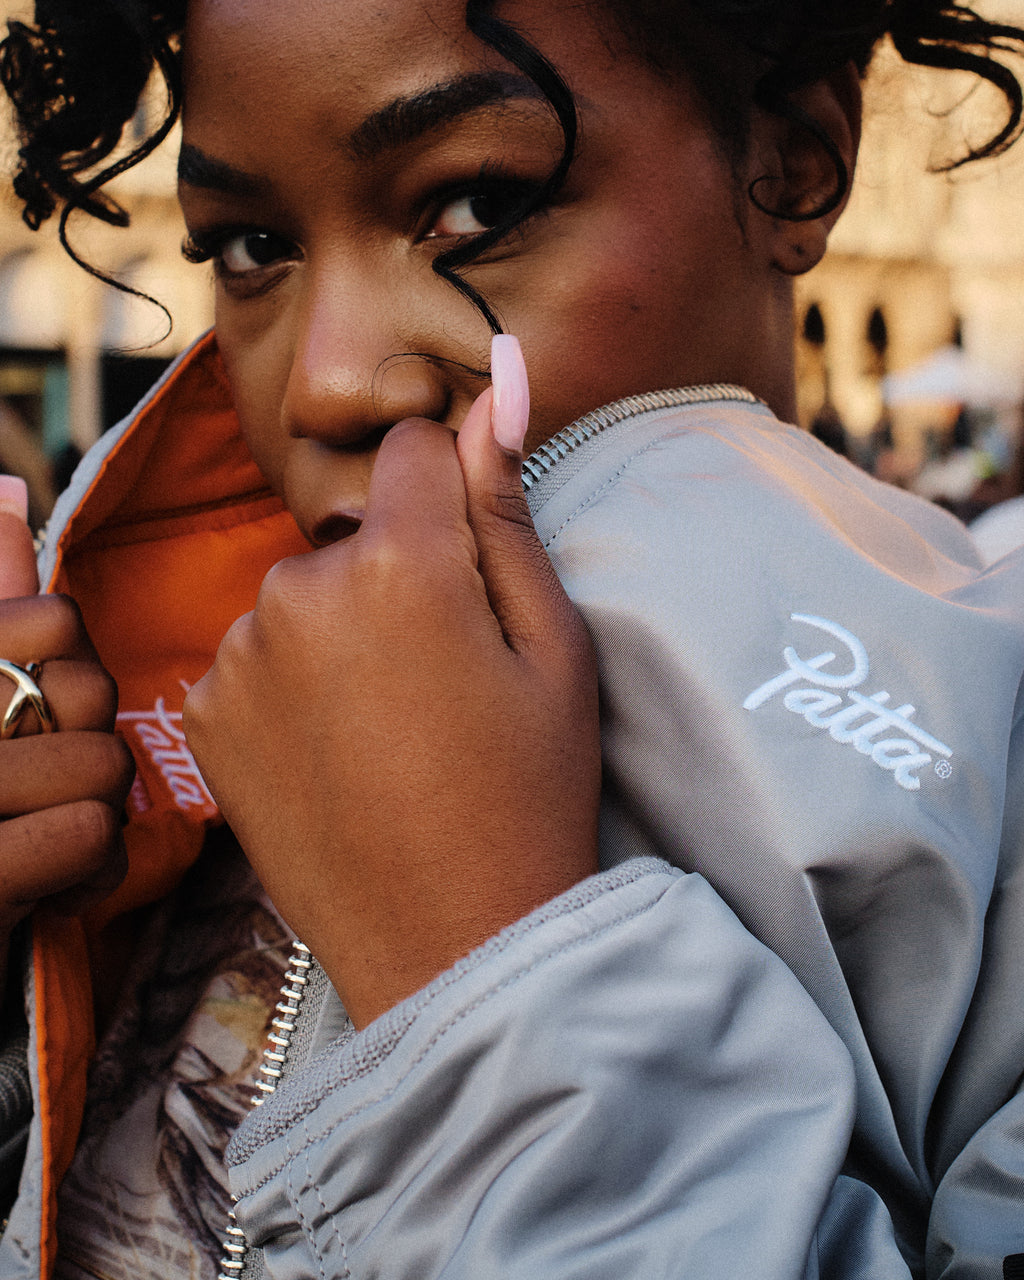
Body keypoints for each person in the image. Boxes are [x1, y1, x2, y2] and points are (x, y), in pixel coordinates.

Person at [0, 0, 1023, 1276]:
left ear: (795, 159)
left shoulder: (989, 774)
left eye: (477, 206)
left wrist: (486, 1002)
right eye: (254, 246)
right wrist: (29, 999)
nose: (326, 382)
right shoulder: (179, 730)